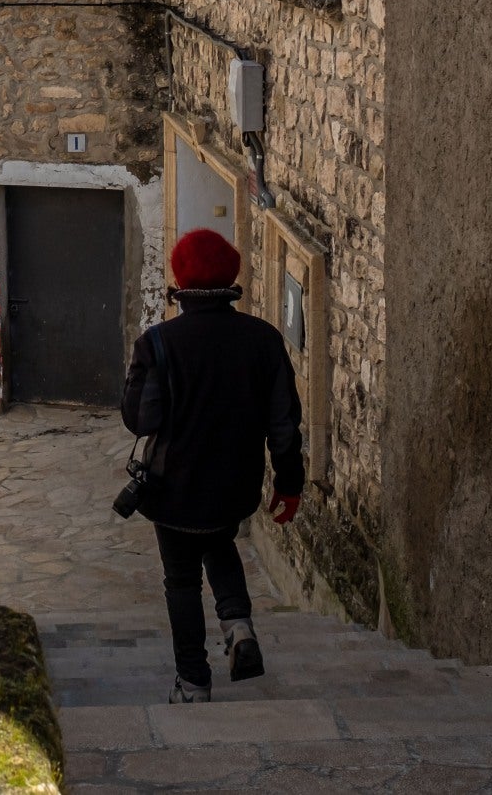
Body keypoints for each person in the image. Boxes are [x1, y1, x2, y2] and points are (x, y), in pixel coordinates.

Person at [121, 228, 305, 703]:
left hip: (172, 487)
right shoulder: (263, 340)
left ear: (180, 280)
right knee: (219, 541)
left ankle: (194, 681)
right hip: (234, 484)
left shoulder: (158, 343)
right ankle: (238, 624)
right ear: (231, 278)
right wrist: (289, 484)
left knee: (180, 579)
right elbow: (284, 424)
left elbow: (138, 420)